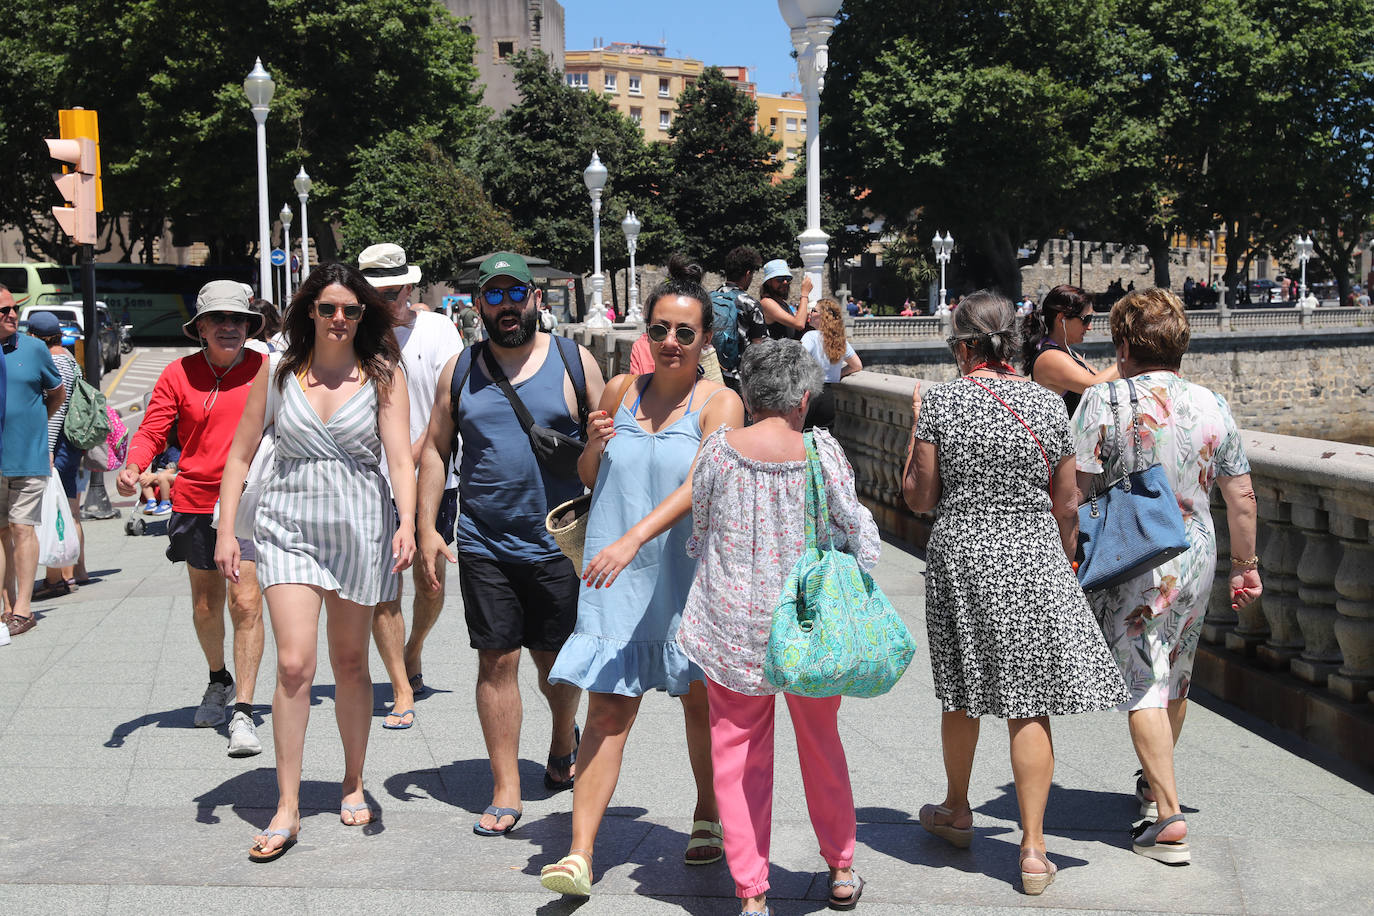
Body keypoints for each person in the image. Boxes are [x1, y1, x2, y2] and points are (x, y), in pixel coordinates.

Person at [902, 290, 1128, 895]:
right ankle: (1031, 850)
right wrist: (1064, 556)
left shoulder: (942, 401)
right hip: (1033, 556)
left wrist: (917, 430)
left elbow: (920, 498)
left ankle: (957, 808)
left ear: (966, 344)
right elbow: (1068, 503)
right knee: (1030, 705)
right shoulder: (1051, 407)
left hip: (964, 557)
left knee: (960, 689)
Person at [538, 257, 743, 897]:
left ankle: (708, 811)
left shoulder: (721, 403)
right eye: (660, 329)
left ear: (706, 339)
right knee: (606, 714)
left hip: (685, 576)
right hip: (616, 580)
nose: (671, 342)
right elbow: (595, 479)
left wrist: (634, 537)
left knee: (700, 704)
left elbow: (700, 484)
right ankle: (578, 853)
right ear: (644, 335)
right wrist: (595, 443)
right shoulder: (619, 394)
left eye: (685, 331)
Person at [215, 261, 414, 861]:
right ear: (310, 311)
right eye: (328, 308)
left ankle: (354, 781)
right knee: (296, 664)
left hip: (359, 525)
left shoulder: (383, 374)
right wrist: (227, 531)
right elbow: (239, 456)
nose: (338, 319)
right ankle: (287, 805)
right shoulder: (278, 374)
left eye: (350, 310)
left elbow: (401, 458)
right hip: (287, 525)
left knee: (350, 662)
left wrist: (408, 522)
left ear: (363, 316)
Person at [676, 339, 878, 915]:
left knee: (736, 754)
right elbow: (854, 527)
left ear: (748, 392)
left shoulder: (718, 450)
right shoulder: (820, 450)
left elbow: (702, 526)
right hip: (808, 625)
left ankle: (752, 891)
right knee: (821, 744)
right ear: (804, 397)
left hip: (733, 624)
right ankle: (840, 864)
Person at [417, 251, 606, 837]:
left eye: (515, 294)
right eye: (493, 297)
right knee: (496, 659)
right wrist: (427, 526)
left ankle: (560, 739)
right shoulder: (460, 370)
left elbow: (610, 450)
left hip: (559, 542)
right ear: (478, 305)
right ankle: (506, 787)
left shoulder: (577, 363)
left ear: (535, 300)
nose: (505, 307)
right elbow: (433, 449)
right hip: (484, 540)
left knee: (555, 664)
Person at [1071, 287, 1261, 866]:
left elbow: (1074, 490)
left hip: (1136, 554)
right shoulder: (1212, 403)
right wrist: (1246, 567)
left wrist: (1066, 555)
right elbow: (1242, 496)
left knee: (1141, 682)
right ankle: (1154, 792)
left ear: (1123, 343)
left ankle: (1168, 816)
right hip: (1196, 554)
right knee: (1174, 674)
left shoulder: (1103, 400)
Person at [117, 281, 267, 753]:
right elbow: (154, 429)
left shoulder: (268, 370)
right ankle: (218, 679)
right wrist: (134, 465)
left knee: (245, 602)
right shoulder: (177, 374)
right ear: (200, 327)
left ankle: (243, 710)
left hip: (249, 501)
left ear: (248, 326)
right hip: (195, 501)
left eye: (237, 319)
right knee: (207, 605)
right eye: (218, 319)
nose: (229, 327)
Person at [357, 243, 464, 730]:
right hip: (373, 479)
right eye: (379, 293)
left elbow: (452, 398)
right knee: (385, 586)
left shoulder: (439, 329)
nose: (391, 301)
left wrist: (419, 449)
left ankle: (413, 647)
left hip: (438, 474)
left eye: (397, 290)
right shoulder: (355, 336)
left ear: (411, 286)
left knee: (430, 577)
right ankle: (401, 685)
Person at [1, 288, 64, 638]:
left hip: (28, 457)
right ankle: (5, 608)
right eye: (4, 310)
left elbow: (56, 393)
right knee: (0, 532)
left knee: (23, 528)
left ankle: (23, 609)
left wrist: (38, 432)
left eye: (15, 308)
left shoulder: (34, 348)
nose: (13, 314)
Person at [29, 311, 87, 599]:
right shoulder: (70, 356)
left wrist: (48, 448)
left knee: (57, 509)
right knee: (70, 507)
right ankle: (78, 571)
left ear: (35, 336)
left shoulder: (54, 360)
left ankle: (59, 578)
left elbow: (57, 411)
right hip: (71, 442)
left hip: (60, 442)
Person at [1021, 284, 1119, 417]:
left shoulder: (1068, 353)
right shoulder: (1050, 357)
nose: (1089, 327)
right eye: (1086, 319)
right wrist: (1128, 357)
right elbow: (1096, 387)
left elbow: (1105, 381)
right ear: (1062, 319)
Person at [800, 298, 862, 431]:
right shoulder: (838, 340)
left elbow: (798, 357)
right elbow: (857, 365)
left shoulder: (810, 336)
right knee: (825, 441)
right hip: (828, 396)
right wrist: (837, 374)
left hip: (809, 393)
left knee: (802, 438)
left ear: (823, 316)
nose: (810, 313)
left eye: (814, 310)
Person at [711, 246, 766, 393]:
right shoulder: (750, 303)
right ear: (748, 274)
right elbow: (759, 347)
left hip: (712, 376)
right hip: (740, 380)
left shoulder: (709, 299)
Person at [757, 259, 811, 340]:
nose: (785, 282)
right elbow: (799, 324)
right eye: (780, 279)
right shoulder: (767, 302)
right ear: (768, 282)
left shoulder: (781, 303)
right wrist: (804, 295)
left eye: (788, 279)